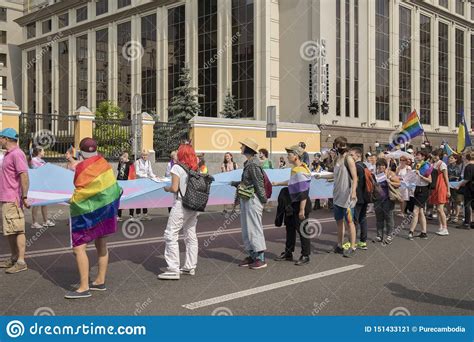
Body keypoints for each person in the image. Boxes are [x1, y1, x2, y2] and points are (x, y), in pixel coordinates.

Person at [65, 138, 121, 299]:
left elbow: (82, 191)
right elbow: (109, 187)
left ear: (80, 152)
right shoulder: (104, 163)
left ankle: (84, 288)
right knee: (101, 242)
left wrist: (73, 201)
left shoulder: (82, 167)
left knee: (79, 246)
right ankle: (100, 281)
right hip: (107, 210)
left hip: (89, 213)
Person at [159, 144, 201, 280]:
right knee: (190, 235)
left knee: (170, 234)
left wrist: (166, 188)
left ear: (182, 154)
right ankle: (190, 266)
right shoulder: (194, 168)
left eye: (178, 150)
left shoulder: (176, 167)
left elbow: (174, 188)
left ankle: (173, 269)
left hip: (181, 204)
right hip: (194, 205)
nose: (176, 152)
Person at [315, 136, 358, 257]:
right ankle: (339, 245)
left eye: (342, 145)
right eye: (338, 145)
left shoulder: (349, 159)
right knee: (339, 221)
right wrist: (321, 176)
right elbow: (334, 175)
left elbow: (355, 177)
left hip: (348, 196)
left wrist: (353, 192)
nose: (341, 147)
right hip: (337, 195)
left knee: (349, 222)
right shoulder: (337, 159)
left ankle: (353, 247)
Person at [272, 145, 312, 265]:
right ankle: (288, 253)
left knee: (302, 230)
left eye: (289, 154)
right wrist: (277, 183)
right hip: (291, 203)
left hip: (300, 204)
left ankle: (305, 255)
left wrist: (301, 210)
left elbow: (304, 192)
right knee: (289, 228)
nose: (287, 156)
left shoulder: (301, 171)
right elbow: (291, 183)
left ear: (296, 156)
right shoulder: (296, 169)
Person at [231, 138, 268, 269]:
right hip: (247, 198)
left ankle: (260, 258)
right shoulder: (249, 163)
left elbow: (259, 183)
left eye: (242, 146)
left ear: (248, 149)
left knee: (254, 228)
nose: (240, 148)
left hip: (253, 199)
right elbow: (249, 182)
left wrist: (263, 201)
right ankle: (252, 255)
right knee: (247, 228)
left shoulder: (253, 165)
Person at [0, 128, 30, 274]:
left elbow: (24, 175)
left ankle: (21, 261)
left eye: (1, 137)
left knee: (18, 230)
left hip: (13, 199)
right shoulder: (8, 154)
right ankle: (13, 257)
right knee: (10, 230)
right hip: (5, 198)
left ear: (6, 138)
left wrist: (24, 197)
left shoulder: (17, 154)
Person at [373, 158, 400, 245]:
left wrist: (390, 182)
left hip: (388, 199)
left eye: (383, 165)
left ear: (385, 166)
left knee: (389, 217)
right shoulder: (376, 174)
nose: (381, 167)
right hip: (378, 199)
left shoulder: (390, 173)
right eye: (379, 165)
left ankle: (389, 235)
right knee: (379, 218)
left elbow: (398, 183)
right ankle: (379, 235)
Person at [408, 151, 432, 240]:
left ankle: (411, 231)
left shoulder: (426, 166)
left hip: (423, 190)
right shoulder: (416, 165)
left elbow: (430, 180)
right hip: (417, 189)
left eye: (418, 155)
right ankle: (424, 232)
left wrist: (420, 175)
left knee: (415, 211)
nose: (416, 156)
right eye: (416, 155)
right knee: (421, 212)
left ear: (423, 157)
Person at [29, 147, 55, 229]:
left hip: (43, 183)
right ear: (39, 152)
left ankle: (45, 220)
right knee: (36, 203)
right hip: (37, 184)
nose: (44, 152)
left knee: (44, 202)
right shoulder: (34, 160)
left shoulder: (41, 160)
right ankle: (34, 222)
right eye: (43, 150)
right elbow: (40, 170)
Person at [350, 147, 369, 250]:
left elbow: (354, 182)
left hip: (357, 196)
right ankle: (363, 241)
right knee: (363, 218)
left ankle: (353, 242)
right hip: (365, 196)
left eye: (352, 155)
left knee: (354, 220)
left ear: (358, 155)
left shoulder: (356, 167)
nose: (350, 157)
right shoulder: (364, 165)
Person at [429, 149, 450, 236]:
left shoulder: (442, 164)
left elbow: (446, 178)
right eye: (434, 155)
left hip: (441, 187)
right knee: (437, 209)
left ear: (439, 156)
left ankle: (445, 228)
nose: (434, 157)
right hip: (435, 187)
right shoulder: (433, 164)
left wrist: (448, 190)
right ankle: (441, 226)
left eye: (436, 155)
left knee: (439, 209)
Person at [134, 150, 156, 221]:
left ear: (148, 156)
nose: (144, 156)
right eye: (143, 155)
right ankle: (138, 214)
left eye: (146, 155)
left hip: (146, 182)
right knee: (139, 198)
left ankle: (145, 214)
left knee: (145, 198)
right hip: (139, 182)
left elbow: (151, 172)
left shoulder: (149, 162)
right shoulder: (138, 162)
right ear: (141, 155)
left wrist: (155, 177)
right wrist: (145, 175)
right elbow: (137, 172)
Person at [455, 151, 474, 229]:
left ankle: (467, 223)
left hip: (470, 188)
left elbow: (466, 179)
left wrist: (458, 185)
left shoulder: (468, 166)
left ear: (467, 158)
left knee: (467, 205)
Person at [116, 152, 135, 221]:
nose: (121, 160)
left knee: (130, 199)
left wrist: (130, 183)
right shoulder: (120, 162)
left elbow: (132, 174)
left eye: (123, 158)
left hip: (128, 183)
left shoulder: (130, 163)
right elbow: (119, 172)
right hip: (120, 182)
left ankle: (131, 215)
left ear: (126, 158)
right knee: (120, 199)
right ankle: (118, 215)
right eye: (121, 159)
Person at [447, 154, 462, 224]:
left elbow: (460, 177)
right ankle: (448, 215)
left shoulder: (459, 167)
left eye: (452, 158)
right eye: (450, 158)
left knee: (457, 201)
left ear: (456, 159)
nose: (450, 159)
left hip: (456, 186)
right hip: (448, 185)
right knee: (448, 201)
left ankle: (456, 216)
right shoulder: (447, 166)